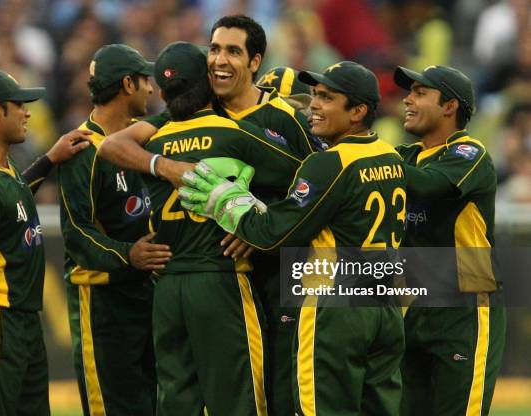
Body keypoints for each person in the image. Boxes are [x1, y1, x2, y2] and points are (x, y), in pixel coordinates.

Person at [97, 16, 319, 414]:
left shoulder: (282, 116)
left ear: (255, 62)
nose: (220, 59)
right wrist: (164, 166)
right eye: (215, 49)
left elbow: (319, 186)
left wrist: (257, 223)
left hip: (280, 273)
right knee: (241, 394)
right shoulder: (195, 113)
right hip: (227, 277)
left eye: (233, 51)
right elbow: (115, 145)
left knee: (283, 392)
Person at [179, 61, 406, 416]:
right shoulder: (390, 154)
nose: (313, 104)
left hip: (336, 306)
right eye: (315, 94)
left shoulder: (329, 163)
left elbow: (273, 235)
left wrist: (228, 205)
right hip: (385, 304)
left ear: (358, 111)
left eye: (326, 97)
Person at [0, 69, 90, 415]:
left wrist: (50, 160)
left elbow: (13, 202)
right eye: (19, 105)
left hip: (21, 321)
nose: (27, 113)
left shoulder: (0, 172)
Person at [57, 44, 169, 416]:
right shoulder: (83, 149)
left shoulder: (141, 141)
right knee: (112, 406)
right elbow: (77, 232)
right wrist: (128, 255)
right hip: (102, 302)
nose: (151, 89)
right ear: (127, 84)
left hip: (144, 294)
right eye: (145, 81)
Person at [392, 65, 506, 416]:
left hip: (466, 303)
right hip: (417, 302)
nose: (407, 100)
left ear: (449, 106)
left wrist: (370, 162)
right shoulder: (408, 156)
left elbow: (430, 186)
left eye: (419, 92)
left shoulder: (469, 153)